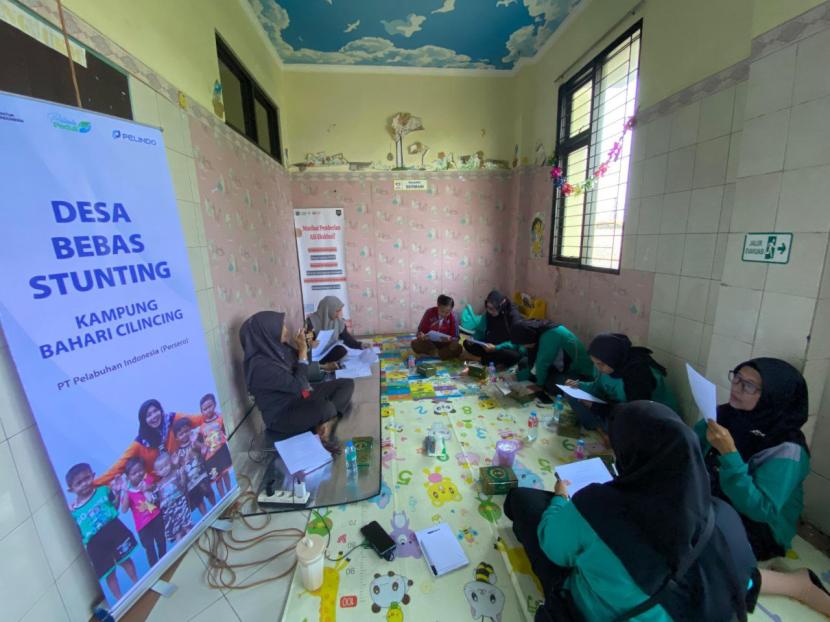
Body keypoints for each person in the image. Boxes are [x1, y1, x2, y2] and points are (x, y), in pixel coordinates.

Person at [504, 401, 756, 622]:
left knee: (524, 501)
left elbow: (553, 547)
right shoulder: (724, 517)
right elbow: (745, 583)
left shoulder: (600, 506)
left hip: (594, 613)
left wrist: (560, 498)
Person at [696, 358, 830, 615]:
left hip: (762, 525)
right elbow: (693, 452)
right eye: (736, 377)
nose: (736, 387)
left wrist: (729, 454)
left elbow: (762, 508)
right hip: (722, 502)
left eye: (748, 386)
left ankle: (798, 585)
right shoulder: (727, 415)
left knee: (704, 561)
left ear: (773, 397)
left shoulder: (787, 447)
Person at [240, 310, 354, 450]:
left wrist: (307, 347)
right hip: (282, 414)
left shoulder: (279, 350)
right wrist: (302, 352)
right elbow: (298, 385)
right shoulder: (260, 367)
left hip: (301, 395)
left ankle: (330, 421)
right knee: (326, 407)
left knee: (347, 384)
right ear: (267, 332)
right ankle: (328, 419)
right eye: (281, 326)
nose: (286, 329)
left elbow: (305, 371)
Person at [565, 332, 677, 430]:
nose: (597, 367)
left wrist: (596, 407)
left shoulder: (639, 374)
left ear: (613, 358)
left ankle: (607, 429)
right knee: (571, 393)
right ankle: (603, 427)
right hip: (617, 407)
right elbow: (598, 387)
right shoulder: (607, 364)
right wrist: (580, 385)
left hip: (650, 419)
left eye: (600, 364)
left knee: (627, 427)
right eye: (594, 363)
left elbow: (636, 413)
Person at [66, 463, 138, 600]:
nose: (84, 484)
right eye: (79, 483)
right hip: (95, 543)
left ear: (93, 475)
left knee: (125, 559)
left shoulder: (104, 491)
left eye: (87, 478)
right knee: (109, 573)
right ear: (71, 489)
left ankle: (137, 582)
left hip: (114, 531)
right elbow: (77, 533)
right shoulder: (73, 512)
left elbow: (115, 508)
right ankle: (119, 599)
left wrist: (117, 492)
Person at [97, 399, 206, 486]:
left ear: (161, 410)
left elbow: (196, 420)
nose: (154, 416)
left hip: (184, 471)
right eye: (148, 415)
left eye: (155, 411)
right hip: (163, 486)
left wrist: (216, 418)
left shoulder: (171, 419)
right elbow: (119, 466)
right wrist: (94, 484)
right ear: (143, 420)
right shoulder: (140, 443)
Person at [509, 320, 594, 393]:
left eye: (524, 344)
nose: (524, 347)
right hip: (558, 365)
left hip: (579, 373)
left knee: (551, 385)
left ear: (528, 337)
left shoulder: (550, 335)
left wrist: (539, 385)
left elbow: (542, 363)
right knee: (524, 362)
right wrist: (517, 377)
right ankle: (539, 378)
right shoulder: (537, 332)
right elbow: (535, 363)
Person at [118, 457, 166, 566]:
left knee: (161, 539)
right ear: (128, 477)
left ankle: (165, 559)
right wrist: (125, 492)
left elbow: (155, 487)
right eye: (134, 473)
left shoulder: (147, 479)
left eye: (140, 470)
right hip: (143, 526)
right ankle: (155, 567)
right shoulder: (128, 492)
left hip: (156, 516)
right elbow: (124, 510)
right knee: (149, 547)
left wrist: (146, 488)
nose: (139, 474)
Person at [462, 290, 523, 368]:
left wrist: (496, 347)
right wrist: (473, 339)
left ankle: (477, 359)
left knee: (515, 356)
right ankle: (494, 361)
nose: (489, 311)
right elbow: (480, 330)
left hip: (503, 347)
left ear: (501, 305)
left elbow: (516, 342)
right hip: (488, 344)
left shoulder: (513, 316)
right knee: (467, 343)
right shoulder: (488, 313)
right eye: (488, 308)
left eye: (492, 309)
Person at [305, 296, 368, 368]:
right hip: (314, 357)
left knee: (341, 350)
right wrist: (309, 344)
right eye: (337, 311)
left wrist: (360, 345)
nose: (339, 314)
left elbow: (346, 338)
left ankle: (329, 366)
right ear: (327, 310)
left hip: (328, 353)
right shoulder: (311, 321)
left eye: (340, 310)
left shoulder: (338, 321)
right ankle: (322, 366)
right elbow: (304, 343)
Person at [172, 418, 215, 516]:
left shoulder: (194, 442)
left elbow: (204, 450)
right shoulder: (178, 453)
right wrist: (175, 463)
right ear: (177, 438)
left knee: (209, 492)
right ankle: (206, 516)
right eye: (181, 434)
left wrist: (195, 442)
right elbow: (178, 468)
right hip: (191, 483)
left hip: (202, 475)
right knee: (199, 501)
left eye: (186, 431)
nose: (184, 435)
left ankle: (216, 506)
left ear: (190, 430)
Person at [197, 393, 233, 498]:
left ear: (215, 404)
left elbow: (227, 431)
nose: (208, 410)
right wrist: (202, 449)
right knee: (217, 478)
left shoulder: (221, 419)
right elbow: (199, 443)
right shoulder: (201, 428)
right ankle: (223, 497)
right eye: (205, 409)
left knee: (225, 472)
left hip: (222, 451)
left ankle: (230, 491)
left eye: (210, 406)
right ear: (201, 411)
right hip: (210, 457)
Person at [152, 452, 192, 544]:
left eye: (166, 465)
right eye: (161, 469)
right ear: (157, 472)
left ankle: (193, 540)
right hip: (168, 510)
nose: (164, 469)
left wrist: (181, 473)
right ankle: (181, 549)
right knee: (177, 532)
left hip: (180, 503)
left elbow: (183, 484)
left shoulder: (176, 473)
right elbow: (154, 500)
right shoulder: (158, 485)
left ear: (170, 463)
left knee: (187, 526)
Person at [411, 294, 462, 360]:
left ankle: (435, 353)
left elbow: (456, 336)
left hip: (445, 344)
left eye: (447, 312)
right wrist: (421, 335)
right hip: (429, 343)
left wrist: (453, 341)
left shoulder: (453, 317)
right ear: (438, 306)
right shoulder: (429, 312)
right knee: (415, 343)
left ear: (451, 310)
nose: (444, 314)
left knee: (458, 348)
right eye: (442, 311)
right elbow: (421, 330)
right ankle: (438, 354)